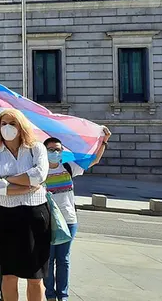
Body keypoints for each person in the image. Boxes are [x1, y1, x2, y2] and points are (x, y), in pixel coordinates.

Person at [0, 109, 50, 301]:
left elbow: (39, 175)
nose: (7, 127)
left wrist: (7, 180)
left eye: (12, 123)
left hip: (35, 215)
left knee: (35, 276)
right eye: (3, 123)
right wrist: (25, 186)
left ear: (21, 127)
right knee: (9, 273)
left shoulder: (36, 149)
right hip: (6, 217)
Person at [43, 127, 111, 301]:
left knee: (63, 260)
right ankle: (50, 294)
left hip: (69, 220)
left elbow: (94, 160)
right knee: (49, 260)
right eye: (51, 150)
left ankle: (63, 296)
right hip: (47, 222)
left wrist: (103, 141)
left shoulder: (68, 167)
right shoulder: (40, 171)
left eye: (58, 149)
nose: (54, 152)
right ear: (44, 151)